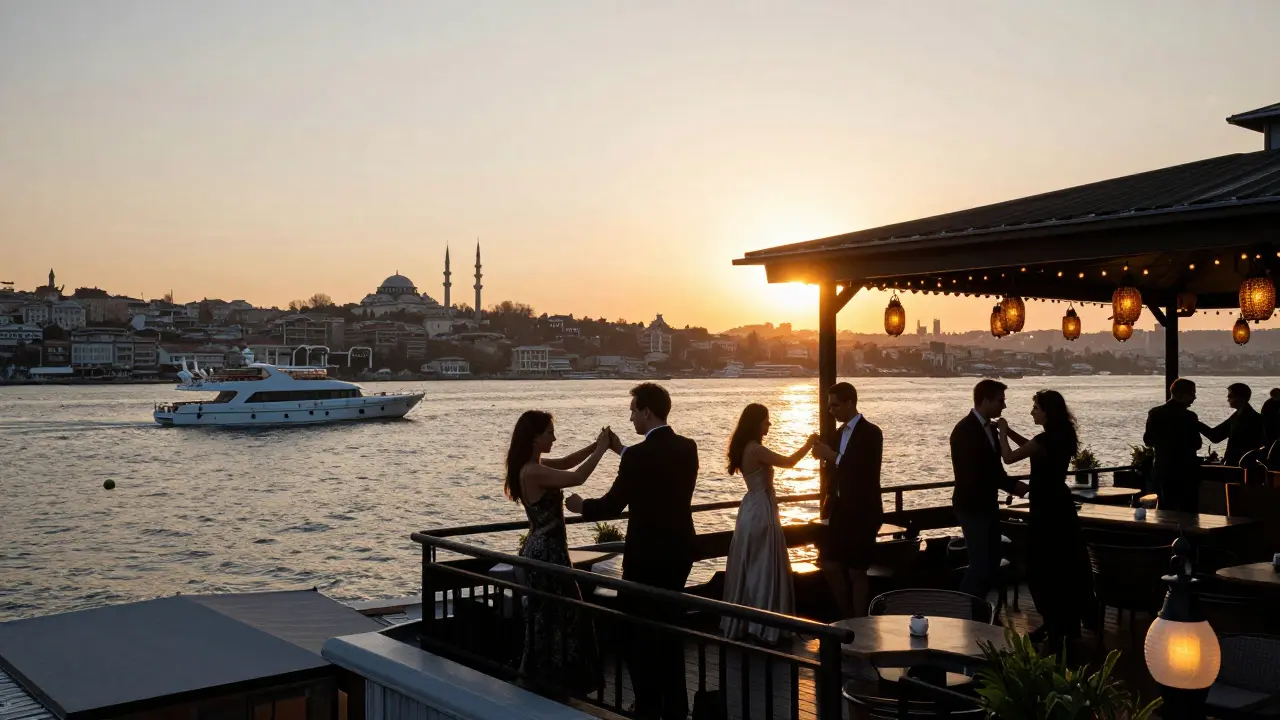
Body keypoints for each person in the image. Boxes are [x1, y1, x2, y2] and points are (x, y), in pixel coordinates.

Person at [566, 383, 697, 720]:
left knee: (636, 632)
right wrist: (620, 449)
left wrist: (581, 505)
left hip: (646, 555)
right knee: (670, 629)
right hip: (680, 551)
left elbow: (612, 505)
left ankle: (647, 703)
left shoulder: (639, 456)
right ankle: (676, 706)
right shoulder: (687, 447)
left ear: (646, 412)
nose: (630, 416)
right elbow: (655, 469)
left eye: (633, 410)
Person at [504, 411, 611, 697]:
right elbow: (576, 477)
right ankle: (553, 681)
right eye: (550, 431)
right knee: (559, 615)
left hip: (542, 548)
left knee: (550, 615)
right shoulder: (534, 472)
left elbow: (565, 464)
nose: (554, 436)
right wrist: (602, 450)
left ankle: (548, 679)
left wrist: (593, 445)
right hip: (547, 552)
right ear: (536, 436)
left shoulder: (529, 467)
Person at [995, 390, 1091, 645]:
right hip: (1061, 505)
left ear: (1047, 411)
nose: (1032, 411)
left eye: (1035, 408)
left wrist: (1003, 431)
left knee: (1041, 567)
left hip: (1045, 508)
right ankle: (1059, 624)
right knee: (1062, 566)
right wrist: (1012, 432)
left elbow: (1009, 457)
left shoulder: (1044, 440)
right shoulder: (1061, 436)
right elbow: (1032, 447)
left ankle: (1053, 622)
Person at [720, 403, 817, 643]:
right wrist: (809, 443)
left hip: (749, 509)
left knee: (750, 565)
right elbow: (788, 462)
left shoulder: (743, 448)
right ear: (756, 423)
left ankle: (747, 619)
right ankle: (764, 623)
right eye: (766, 420)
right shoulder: (756, 449)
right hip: (761, 510)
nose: (769, 424)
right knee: (763, 567)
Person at [949, 380, 1028, 600]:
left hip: (988, 506)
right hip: (971, 506)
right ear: (985, 401)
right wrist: (1013, 486)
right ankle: (963, 611)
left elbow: (995, 468)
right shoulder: (964, 430)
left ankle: (976, 610)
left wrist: (1010, 485)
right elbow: (978, 472)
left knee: (991, 562)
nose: (1004, 407)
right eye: (1000, 401)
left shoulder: (990, 430)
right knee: (980, 564)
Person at [812, 383, 884, 618]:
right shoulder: (837, 434)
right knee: (830, 564)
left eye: (834, 405)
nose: (831, 410)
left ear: (850, 403)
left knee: (857, 571)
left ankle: (860, 622)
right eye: (829, 406)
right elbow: (836, 468)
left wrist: (831, 456)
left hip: (864, 511)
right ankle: (847, 615)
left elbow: (863, 469)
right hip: (841, 509)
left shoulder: (872, 432)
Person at [1143, 378, 1203, 512]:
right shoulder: (1190, 416)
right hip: (1186, 471)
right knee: (1188, 510)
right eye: (1192, 393)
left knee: (1165, 508)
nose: (1194, 397)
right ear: (1183, 395)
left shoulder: (1154, 413)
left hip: (1162, 468)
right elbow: (1197, 444)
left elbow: (1148, 440)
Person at [1199, 383, 1267, 467]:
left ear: (1241, 397)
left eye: (1230, 396)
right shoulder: (1240, 416)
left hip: (1239, 466)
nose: (1228, 399)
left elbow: (1216, 436)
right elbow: (1216, 436)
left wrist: (1195, 423)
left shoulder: (1248, 418)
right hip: (1239, 465)